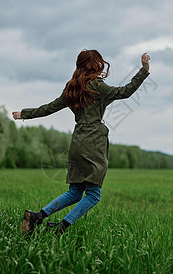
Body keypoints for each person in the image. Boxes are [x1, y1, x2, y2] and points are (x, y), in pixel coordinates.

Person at [12, 49, 151, 237]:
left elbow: (49, 108)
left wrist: (24, 114)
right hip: (93, 141)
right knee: (93, 195)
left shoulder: (72, 87)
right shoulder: (97, 86)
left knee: (76, 191)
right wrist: (143, 70)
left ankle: (36, 217)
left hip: (77, 140)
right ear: (95, 64)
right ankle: (61, 228)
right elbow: (125, 91)